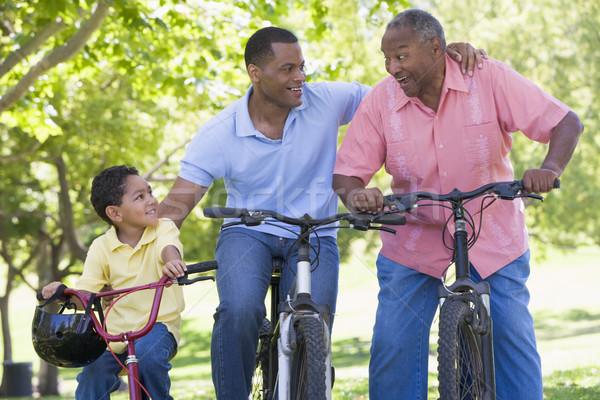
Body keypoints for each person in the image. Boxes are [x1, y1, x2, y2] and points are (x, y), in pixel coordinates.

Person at [157, 26, 484, 398]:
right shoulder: (219, 132)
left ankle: (308, 380)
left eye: (302, 67)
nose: (300, 78)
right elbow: (174, 208)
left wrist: (442, 57)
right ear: (255, 73)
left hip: (315, 231)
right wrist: (146, 247)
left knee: (318, 318)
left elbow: (394, 89)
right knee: (240, 310)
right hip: (249, 231)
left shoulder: (327, 98)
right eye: (287, 69)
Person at [332, 9, 583, 400]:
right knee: (392, 347)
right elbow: (346, 174)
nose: (391, 67)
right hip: (414, 235)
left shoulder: (488, 77)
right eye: (386, 58)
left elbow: (566, 121)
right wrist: (357, 195)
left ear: (436, 48)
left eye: (400, 55)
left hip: (492, 229)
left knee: (511, 338)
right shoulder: (382, 100)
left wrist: (549, 167)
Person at [42, 165, 187, 400]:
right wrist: (64, 292)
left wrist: (172, 263)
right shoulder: (101, 247)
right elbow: (86, 295)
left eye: (150, 192)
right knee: (92, 375)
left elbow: (168, 248)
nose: (152, 200)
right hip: (114, 335)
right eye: (140, 197)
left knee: (147, 359)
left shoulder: (163, 227)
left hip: (158, 326)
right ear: (116, 214)